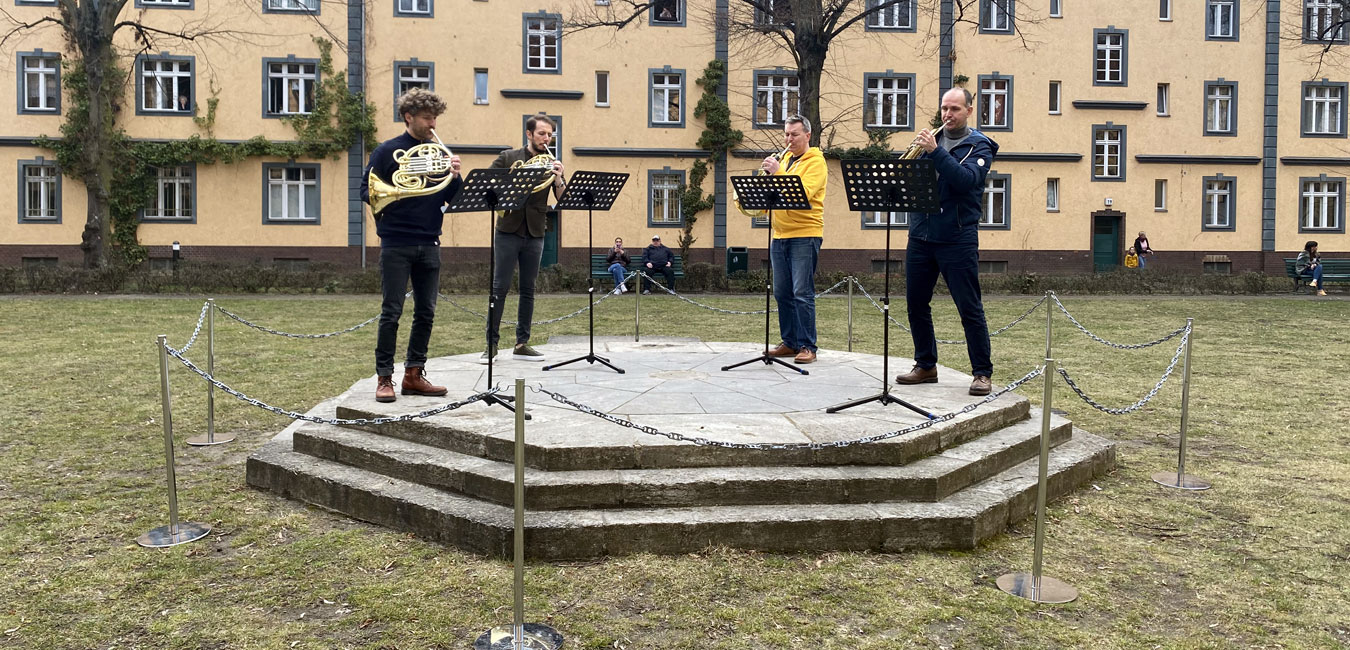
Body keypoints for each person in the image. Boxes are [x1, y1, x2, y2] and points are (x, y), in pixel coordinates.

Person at [360, 88, 462, 403]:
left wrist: (455, 175)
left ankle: (414, 374)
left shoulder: (437, 152)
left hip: (430, 241)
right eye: (426, 117)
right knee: (392, 311)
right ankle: (384, 378)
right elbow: (367, 190)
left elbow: (452, 198)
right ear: (409, 117)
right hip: (396, 242)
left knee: (427, 311)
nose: (433, 123)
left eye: (435, 117)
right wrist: (395, 195)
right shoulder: (386, 151)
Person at [895, 88, 998, 396]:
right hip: (921, 235)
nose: (948, 114)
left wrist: (934, 152)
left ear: (968, 110)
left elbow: (966, 180)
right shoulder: (933, 142)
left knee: (969, 307)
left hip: (957, 237)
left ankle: (982, 372)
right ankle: (925, 365)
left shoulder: (979, 146)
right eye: (944, 109)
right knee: (915, 304)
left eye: (955, 109)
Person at [482, 114, 566, 364]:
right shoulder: (508, 157)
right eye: (542, 133)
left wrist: (559, 177)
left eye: (550, 134)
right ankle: (491, 345)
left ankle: (522, 343)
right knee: (500, 288)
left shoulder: (551, 162)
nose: (546, 138)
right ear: (529, 134)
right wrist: (513, 181)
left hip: (536, 231)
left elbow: (562, 199)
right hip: (508, 228)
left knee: (529, 290)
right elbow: (487, 186)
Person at [762, 114, 827, 364]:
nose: (789, 139)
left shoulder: (816, 162)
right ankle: (789, 342)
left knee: (802, 292)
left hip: (805, 234)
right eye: (787, 134)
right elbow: (775, 194)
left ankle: (807, 345)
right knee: (782, 292)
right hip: (779, 235)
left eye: (795, 134)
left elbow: (802, 192)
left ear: (807, 136)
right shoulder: (785, 160)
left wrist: (778, 174)